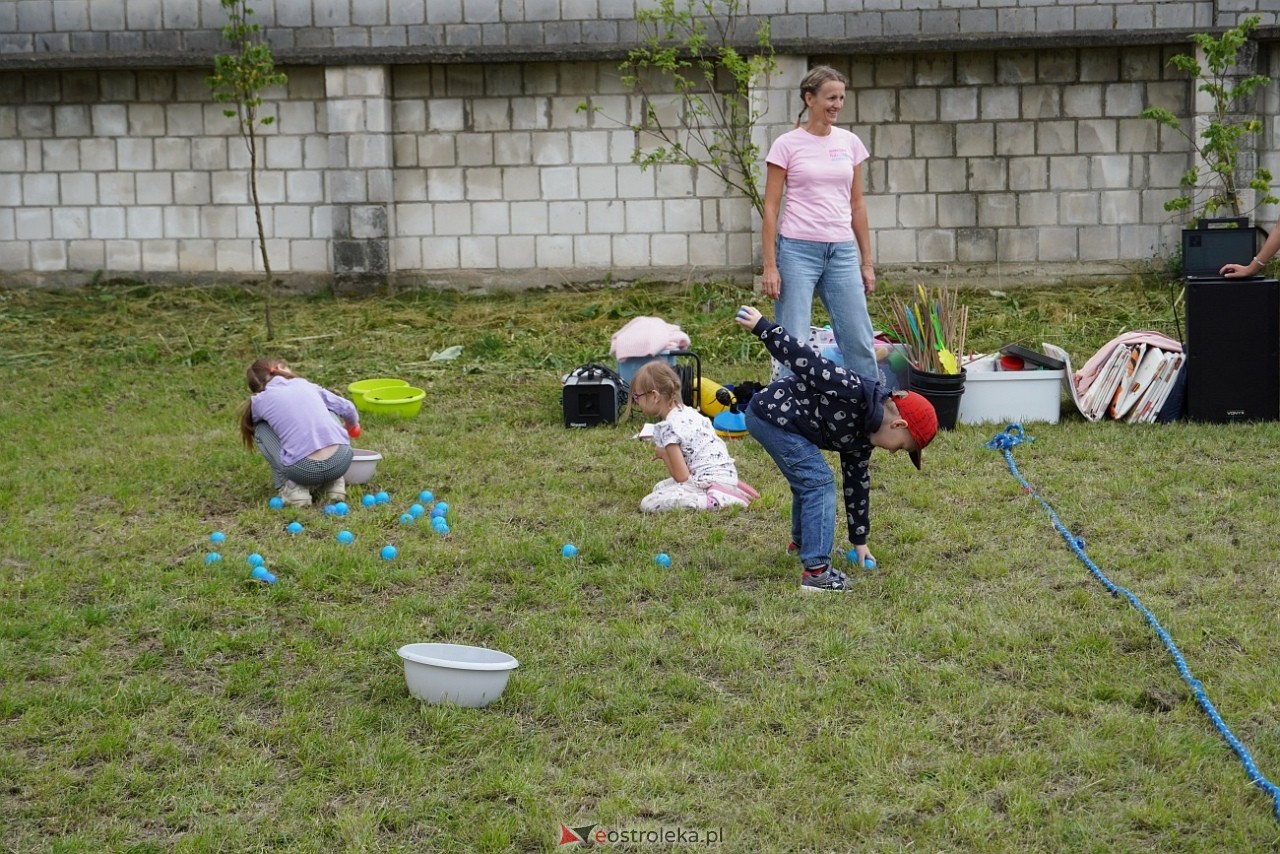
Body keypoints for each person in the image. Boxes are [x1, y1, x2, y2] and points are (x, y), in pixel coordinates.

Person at [734, 305, 937, 592]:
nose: (894, 452)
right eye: (903, 447)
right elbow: (808, 363)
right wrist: (765, 328)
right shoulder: (854, 390)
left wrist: (860, 540)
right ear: (898, 425)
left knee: (809, 481)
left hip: (790, 426)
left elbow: (857, 485)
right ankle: (817, 573)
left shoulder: (865, 437)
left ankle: (802, 544)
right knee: (818, 481)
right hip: (771, 415)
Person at [761, 64, 878, 381]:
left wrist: (866, 262)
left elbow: (857, 204)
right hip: (797, 252)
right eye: (830, 98)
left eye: (841, 98)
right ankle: (785, 410)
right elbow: (771, 207)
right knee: (792, 342)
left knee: (859, 339)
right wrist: (770, 266)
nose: (837, 105)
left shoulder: (849, 143)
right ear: (809, 98)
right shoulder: (787, 145)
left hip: (841, 252)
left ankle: (872, 413)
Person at [630, 360, 757, 513]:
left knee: (649, 503)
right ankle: (729, 488)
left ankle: (713, 500)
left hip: (703, 481)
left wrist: (664, 454)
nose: (637, 403)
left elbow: (682, 477)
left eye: (637, 397)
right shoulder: (689, 412)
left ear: (654, 396)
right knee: (659, 487)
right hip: (724, 474)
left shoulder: (668, 427)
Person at [239, 357, 359, 507]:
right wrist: (351, 427)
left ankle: (293, 489)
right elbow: (348, 407)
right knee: (329, 408)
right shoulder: (305, 384)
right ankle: (334, 484)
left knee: (262, 427)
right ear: (281, 367)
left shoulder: (259, 401)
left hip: (302, 471)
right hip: (341, 461)